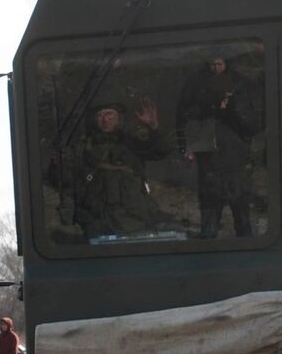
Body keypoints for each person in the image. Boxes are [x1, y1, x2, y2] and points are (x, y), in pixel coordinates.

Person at [61, 98, 172, 239]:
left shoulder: (131, 143)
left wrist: (153, 127)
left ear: (118, 118)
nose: (105, 120)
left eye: (109, 114)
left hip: (133, 222)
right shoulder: (82, 147)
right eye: (100, 115)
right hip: (97, 224)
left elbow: (161, 151)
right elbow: (68, 183)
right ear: (94, 120)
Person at [177, 56, 262, 238]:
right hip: (209, 164)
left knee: (242, 215)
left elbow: (253, 126)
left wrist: (234, 107)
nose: (216, 68)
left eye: (219, 64)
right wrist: (210, 106)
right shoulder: (197, 87)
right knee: (209, 217)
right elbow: (185, 117)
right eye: (212, 64)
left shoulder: (241, 88)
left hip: (236, 162)